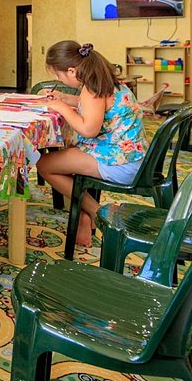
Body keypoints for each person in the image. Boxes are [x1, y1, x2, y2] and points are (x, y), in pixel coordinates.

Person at [36, 40, 147, 247]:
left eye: (59, 76)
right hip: (133, 156)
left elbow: (89, 129)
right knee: (66, 155)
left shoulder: (92, 90)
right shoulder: (105, 82)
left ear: (71, 71)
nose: (59, 80)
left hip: (121, 164)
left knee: (44, 165)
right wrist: (64, 98)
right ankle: (85, 214)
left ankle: (97, 213)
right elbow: (93, 107)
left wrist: (62, 107)